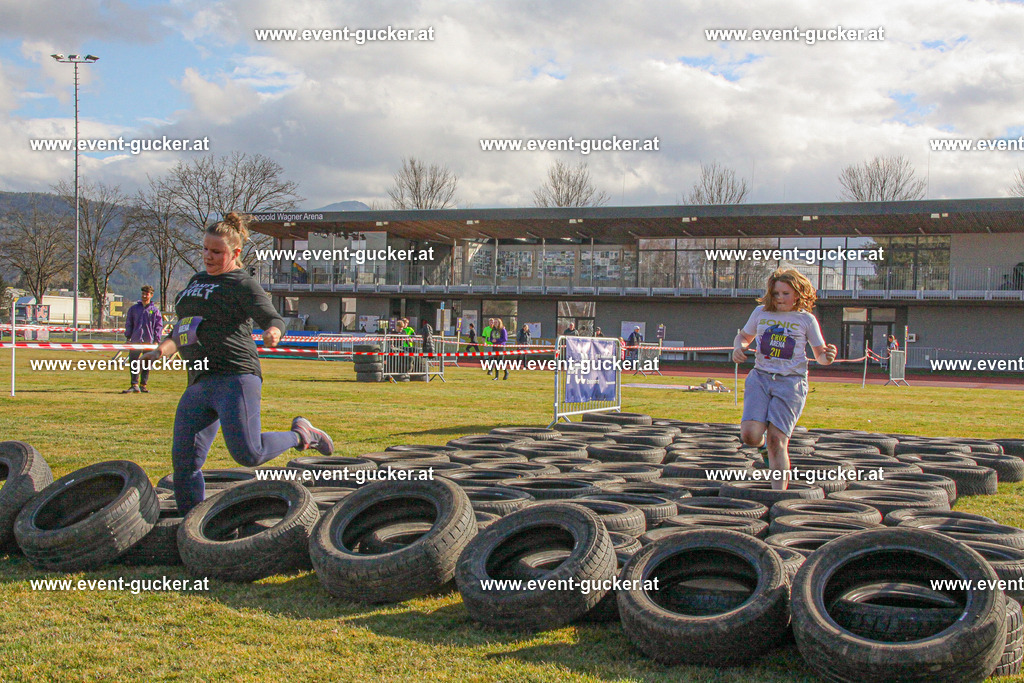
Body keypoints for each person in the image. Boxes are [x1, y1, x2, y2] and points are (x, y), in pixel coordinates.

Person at [142, 212, 334, 515]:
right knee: (184, 462)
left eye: (216, 251)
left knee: (249, 453)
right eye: (205, 249)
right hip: (200, 381)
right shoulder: (195, 282)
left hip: (236, 377)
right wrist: (160, 351)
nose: (208, 256)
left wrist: (273, 332)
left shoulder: (242, 284)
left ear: (235, 253)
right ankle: (192, 526)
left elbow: (274, 318)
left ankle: (303, 435)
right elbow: (181, 329)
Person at [732, 268, 837, 491]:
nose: (780, 298)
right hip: (760, 378)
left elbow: (819, 355)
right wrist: (739, 348)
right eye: (776, 293)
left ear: (798, 294)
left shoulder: (806, 320)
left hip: (791, 383)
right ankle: (761, 449)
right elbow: (743, 336)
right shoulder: (761, 312)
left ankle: (777, 495)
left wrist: (827, 358)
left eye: (786, 293)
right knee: (750, 436)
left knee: (776, 440)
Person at [122, 285, 163, 393]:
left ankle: (143, 384)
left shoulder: (155, 311)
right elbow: (129, 323)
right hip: (135, 340)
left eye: (147, 294)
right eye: (143, 294)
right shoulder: (134, 309)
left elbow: (158, 326)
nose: (144, 296)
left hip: (148, 341)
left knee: (147, 363)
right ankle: (134, 384)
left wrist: (156, 339)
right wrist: (128, 336)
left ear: (151, 295)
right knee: (134, 362)